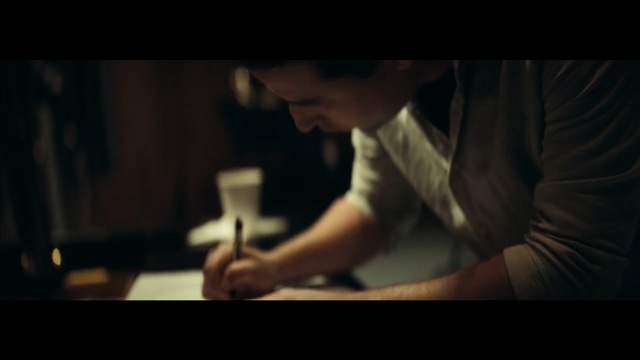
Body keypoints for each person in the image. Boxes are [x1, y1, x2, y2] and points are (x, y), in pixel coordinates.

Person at [201, 60, 640, 300]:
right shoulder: (385, 92)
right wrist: (275, 265)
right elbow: (375, 206)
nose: (300, 123)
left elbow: (571, 263)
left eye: (310, 101)